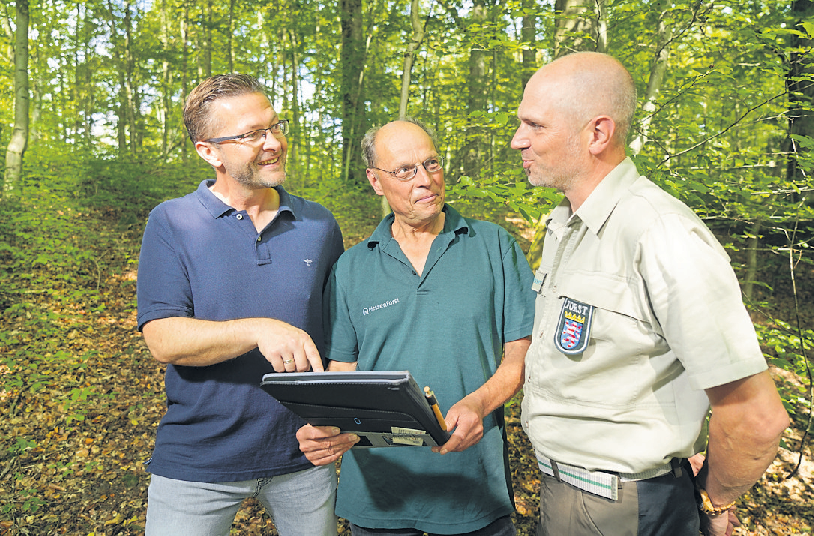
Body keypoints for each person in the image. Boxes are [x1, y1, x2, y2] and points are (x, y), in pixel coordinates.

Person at [512, 51, 790, 536]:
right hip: (567, 495)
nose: (519, 141)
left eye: (535, 125)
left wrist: (712, 499)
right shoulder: (568, 227)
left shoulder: (659, 234)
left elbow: (754, 415)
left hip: (623, 510)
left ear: (597, 133)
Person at [296, 119, 536, 535]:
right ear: (375, 180)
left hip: (472, 485)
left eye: (432, 164)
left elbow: (521, 355)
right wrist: (328, 426)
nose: (425, 180)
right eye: (406, 170)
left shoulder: (494, 246)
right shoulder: (352, 267)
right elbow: (343, 371)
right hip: (379, 491)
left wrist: (479, 404)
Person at [136, 74, 344, 536]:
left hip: (303, 457)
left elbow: (341, 342)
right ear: (209, 151)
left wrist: (343, 422)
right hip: (197, 459)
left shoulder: (319, 225)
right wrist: (258, 329)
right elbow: (163, 338)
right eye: (252, 135)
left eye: (274, 126)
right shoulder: (172, 221)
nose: (273, 143)